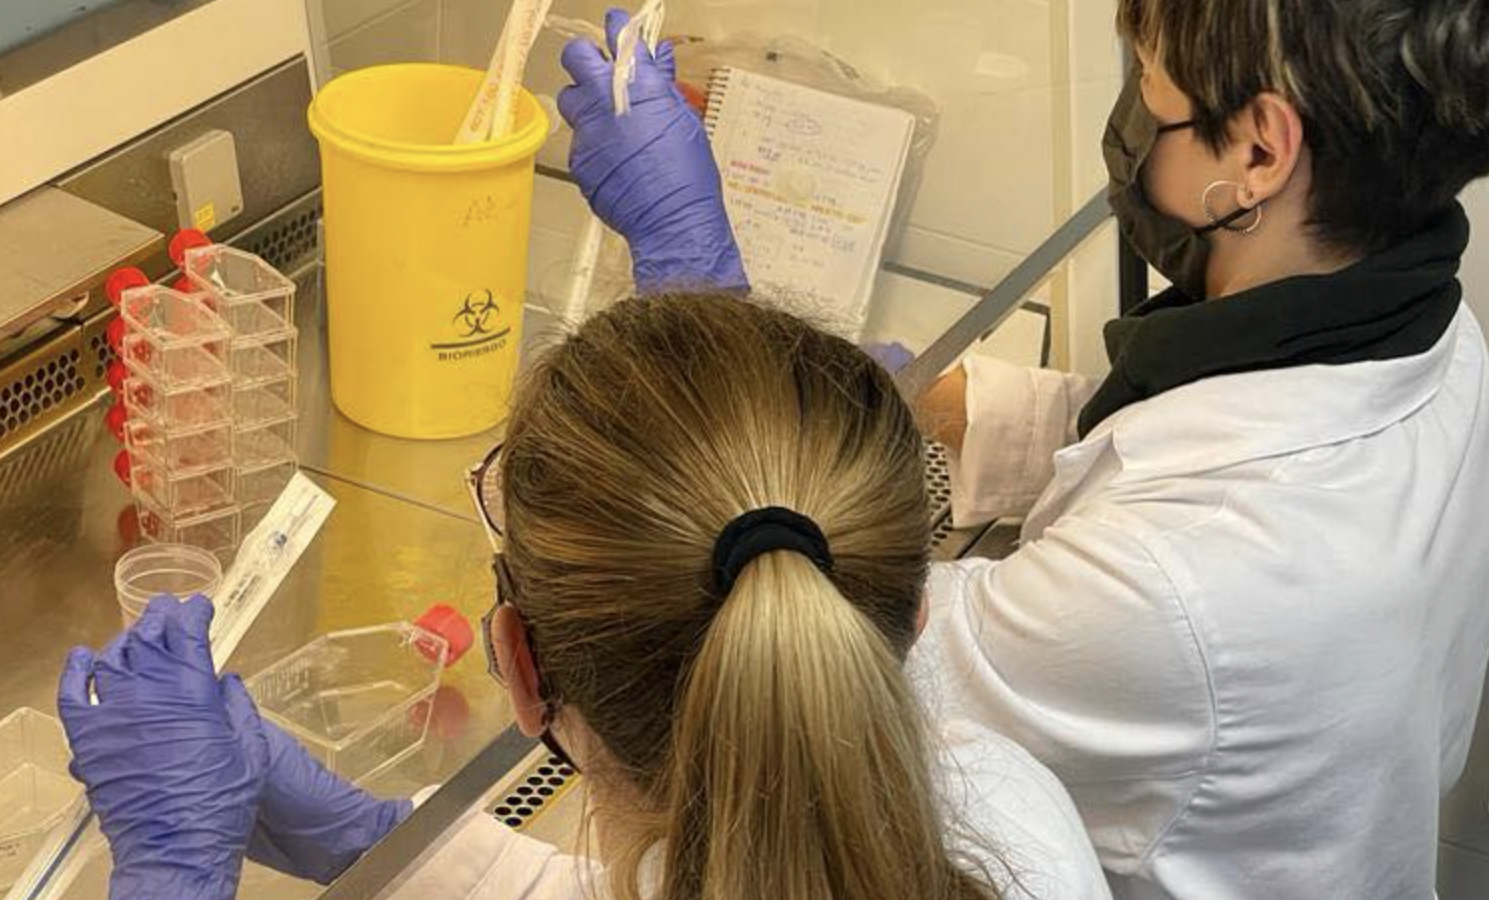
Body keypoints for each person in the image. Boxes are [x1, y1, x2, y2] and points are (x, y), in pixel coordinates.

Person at [552, 0, 1489, 897]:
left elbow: (801, 671)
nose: (1129, 111)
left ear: (1255, 154)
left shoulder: (1167, 592)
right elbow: (1169, 435)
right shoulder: (1429, 339)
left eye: (1149, 84)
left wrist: (698, 293)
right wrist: (934, 401)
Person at [58, 295, 1112, 900]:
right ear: (913, 616)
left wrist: (170, 876)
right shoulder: (1011, 812)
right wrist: (374, 838)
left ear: (519, 667)